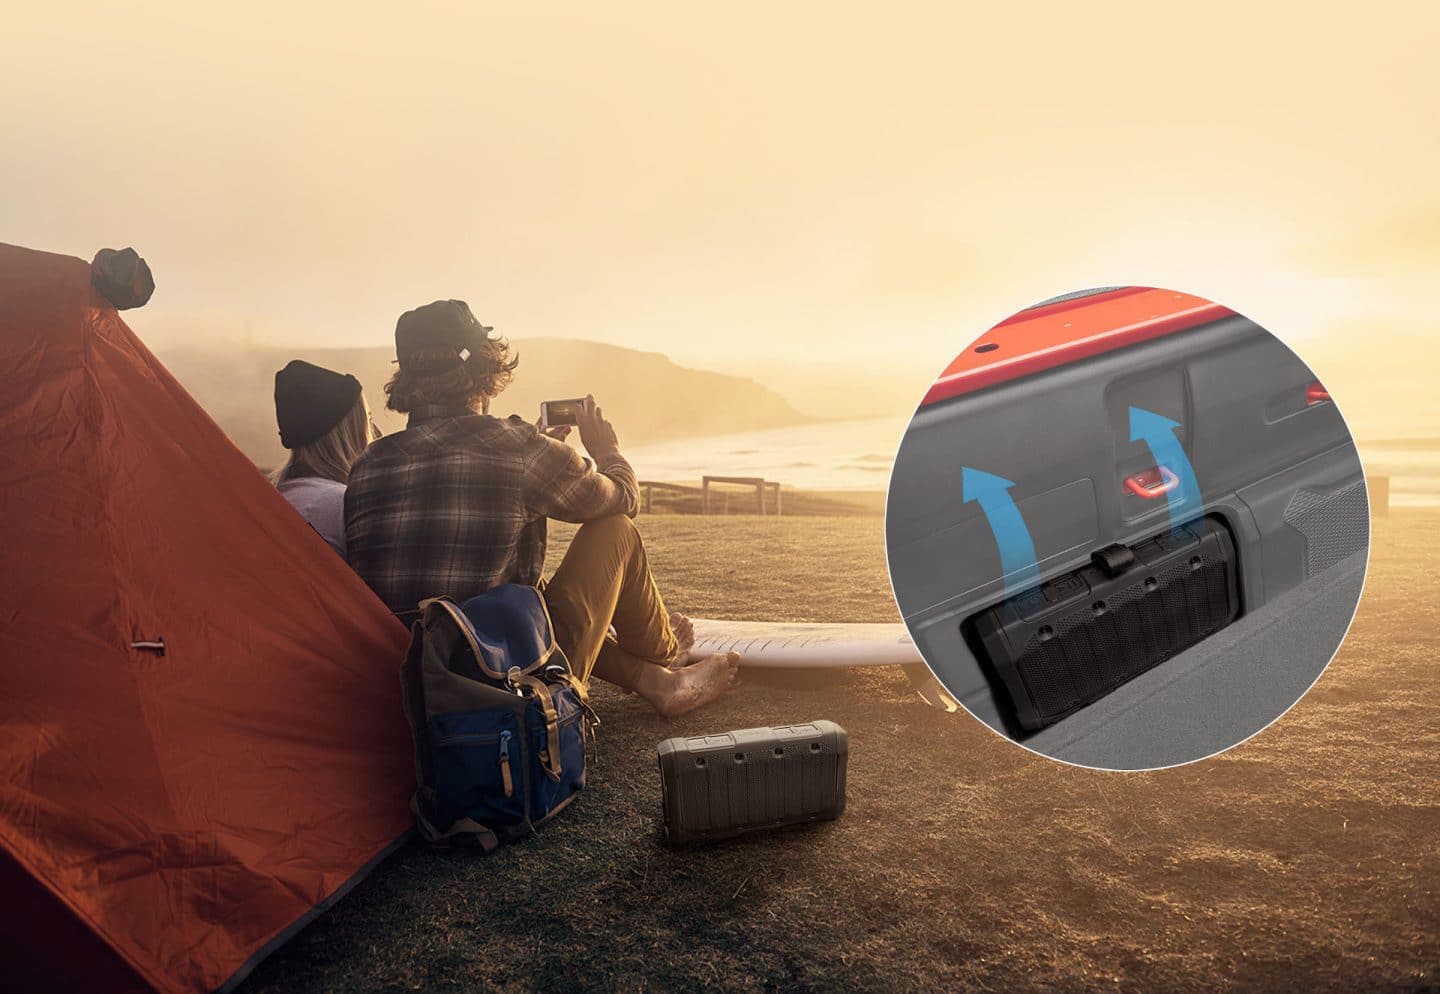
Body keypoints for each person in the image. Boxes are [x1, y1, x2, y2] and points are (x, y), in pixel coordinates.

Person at [344, 300, 739, 718]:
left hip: (408, 694)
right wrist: (607, 451)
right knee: (615, 530)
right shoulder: (517, 447)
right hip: (510, 688)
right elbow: (623, 496)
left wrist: (536, 451)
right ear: (485, 367)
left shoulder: (368, 463)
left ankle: (654, 681)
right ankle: (667, 653)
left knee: (521, 591)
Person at [272, 359, 377, 557]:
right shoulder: (342, 505)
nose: (376, 433)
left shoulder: (279, 498)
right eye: (368, 421)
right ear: (348, 434)